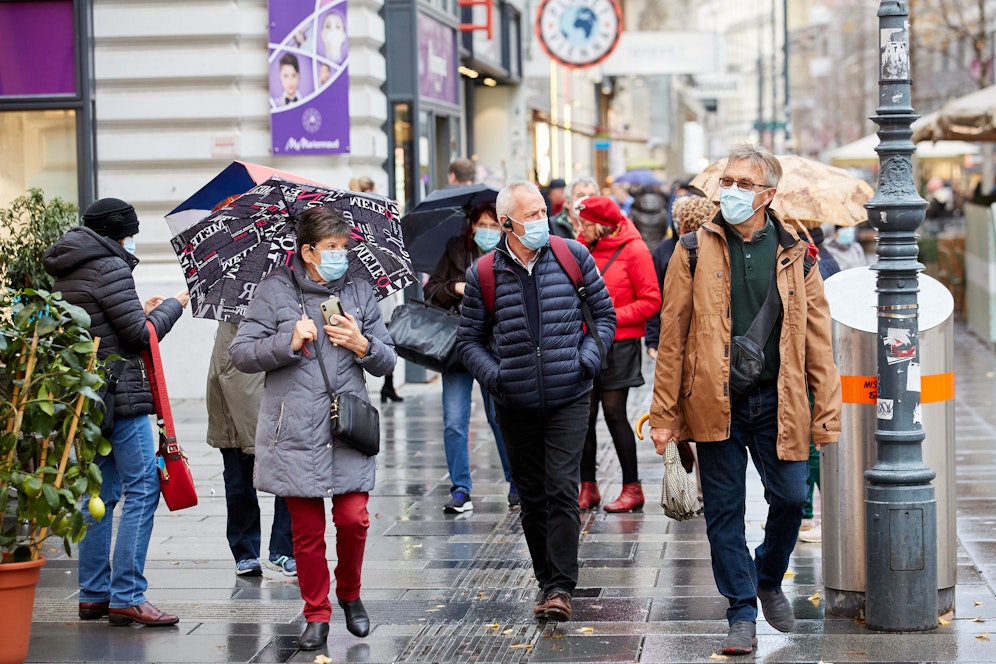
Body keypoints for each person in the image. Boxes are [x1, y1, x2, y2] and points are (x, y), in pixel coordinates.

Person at [647, 145, 841, 656]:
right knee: (724, 514)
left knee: (792, 498)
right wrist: (664, 415)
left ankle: (768, 575)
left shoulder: (799, 256)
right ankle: (740, 613)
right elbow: (672, 337)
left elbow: (819, 341)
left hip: (781, 403)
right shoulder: (691, 249)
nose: (730, 191)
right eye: (727, 181)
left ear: (768, 195)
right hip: (714, 402)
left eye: (743, 183)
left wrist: (828, 413)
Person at [230, 207, 397, 650]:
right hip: (295, 430)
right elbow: (241, 353)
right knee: (305, 534)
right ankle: (317, 612)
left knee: (353, 518)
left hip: (347, 426)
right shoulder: (274, 291)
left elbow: (388, 360)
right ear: (307, 252)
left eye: (345, 247)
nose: (341, 255)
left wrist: (362, 344)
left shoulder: (360, 292)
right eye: (331, 248)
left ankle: (350, 594)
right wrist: (287, 342)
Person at [457, 181, 616, 623]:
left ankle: (561, 587)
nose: (541, 221)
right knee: (532, 496)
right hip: (515, 401)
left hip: (569, 395)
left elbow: (605, 316)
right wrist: (497, 377)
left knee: (562, 489)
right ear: (506, 223)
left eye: (543, 211)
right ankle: (547, 580)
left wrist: (587, 360)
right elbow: (468, 340)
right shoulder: (484, 274)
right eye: (531, 215)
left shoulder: (572, 256)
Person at [43, 197, 189, 626]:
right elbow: (139, 337)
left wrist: (136, 313)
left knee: (101, 495)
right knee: (144, 487)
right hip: (120, 395)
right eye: (128, 234)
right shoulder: (110, 266)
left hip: (87, 398)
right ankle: (128, 594)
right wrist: (172, 306)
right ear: (116, 232)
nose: (130, 241)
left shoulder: (68, 264)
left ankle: (93, 593)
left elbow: (101, 326)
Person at [425, 202, 516, 511]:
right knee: (454, 421)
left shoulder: (509, 253)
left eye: (494, 226)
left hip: (496, 348)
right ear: (471, 226)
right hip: (458, 346)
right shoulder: (455, 250)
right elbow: (432, 290)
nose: (487, 232)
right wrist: (458, 287)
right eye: (482, 225)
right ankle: (460, 488)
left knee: (501, 418)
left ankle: (516, 482)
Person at [574, 197, 661, 513]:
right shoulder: (581, 247)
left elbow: (651, 300)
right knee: (583, 415)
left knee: (614, 413)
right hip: (583, 343)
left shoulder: (634, 250)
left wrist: (609, 316)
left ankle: (632, 488)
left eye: (585, 223)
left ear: (601, 223)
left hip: (620, 344)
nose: (580, 229)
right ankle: (587, 487)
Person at [207, 321, 296, 577]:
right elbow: (226, 366)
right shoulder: (233, 301)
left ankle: (283, 548)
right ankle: (246, 551)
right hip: (237, 387)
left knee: (290, 469)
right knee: (239, 476)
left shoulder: (292, 292)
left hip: (283, 385)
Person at [349, 175, 403, 403]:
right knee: (384, 337)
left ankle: (387, 386)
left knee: (367, 337)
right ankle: (387, 386)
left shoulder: (350, 212)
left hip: (366, 288)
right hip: (379, 288)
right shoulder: (378, 211)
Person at [645, 194, 716, 360]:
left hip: (705, 336)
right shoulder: (665, 250)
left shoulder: (719, 252)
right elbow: (656, 295)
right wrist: (653, 339)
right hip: (676, 334)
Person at [628, 184, 670, 251]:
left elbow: (630, 230)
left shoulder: (634, 211)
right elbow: (664, 230)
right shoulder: (663, 212)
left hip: (639, 247)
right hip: (657, 247)